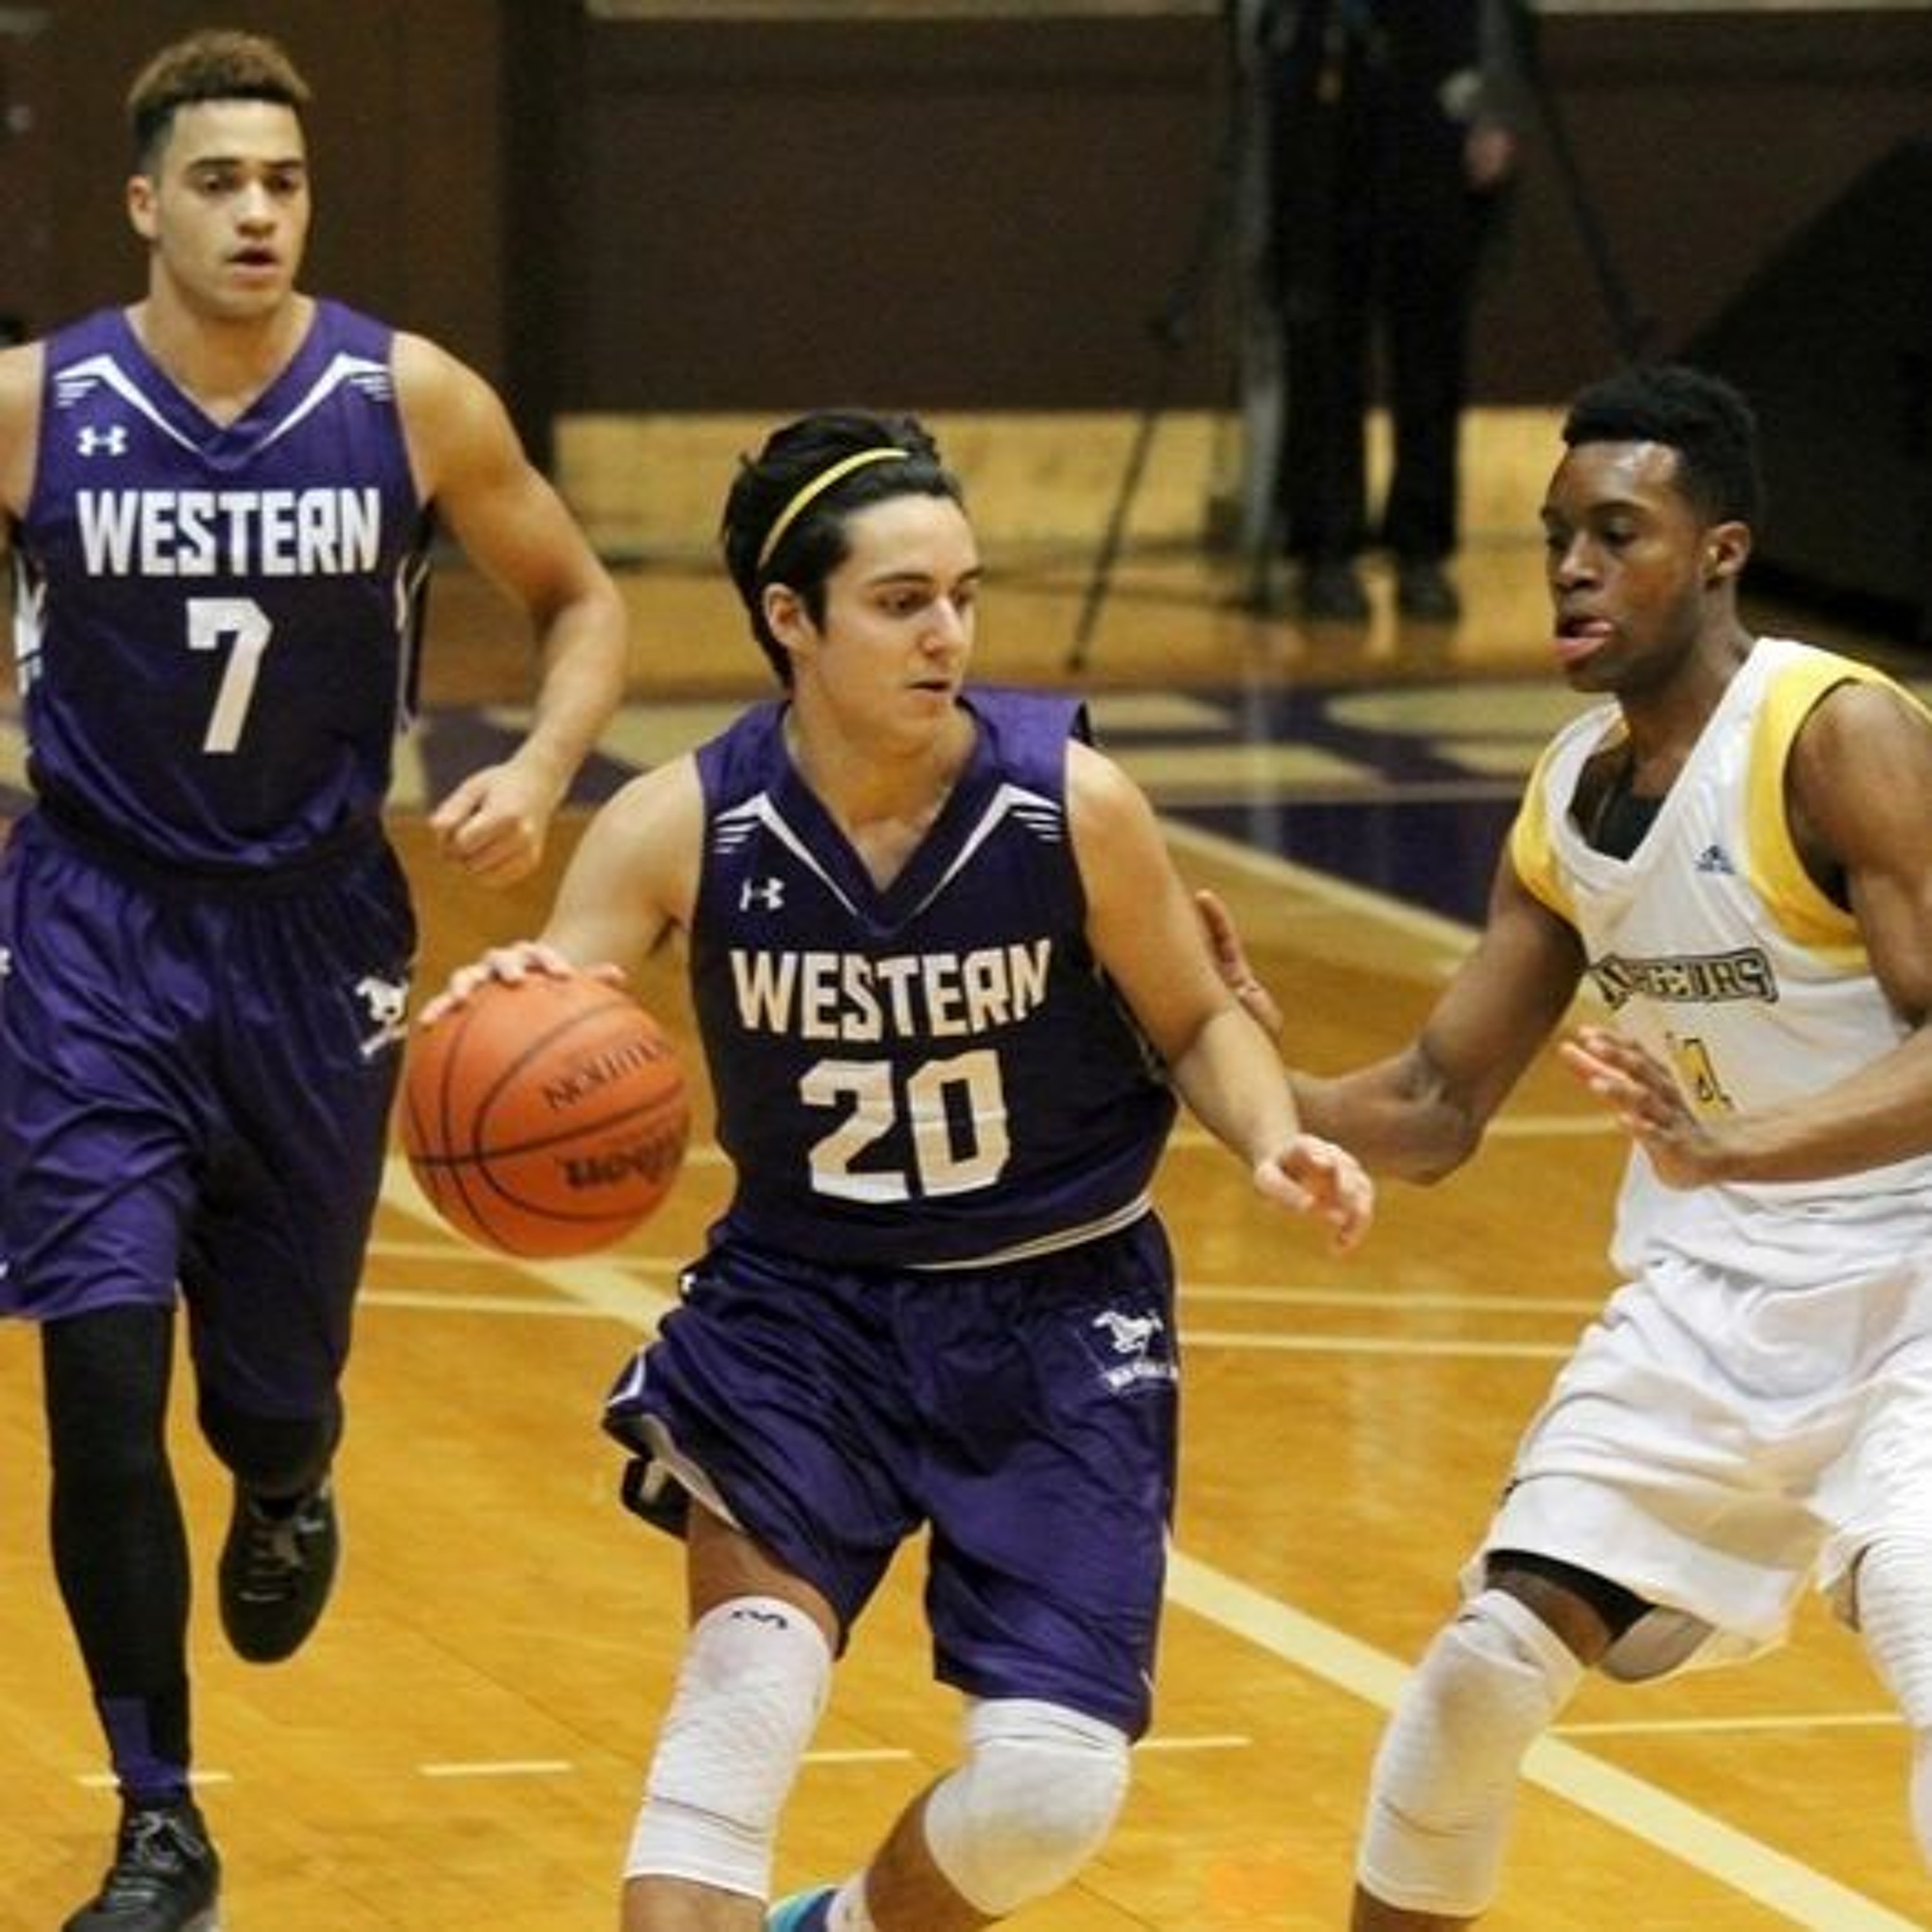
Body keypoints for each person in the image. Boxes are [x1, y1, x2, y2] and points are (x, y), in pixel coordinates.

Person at [421, 408, 1374, 1931]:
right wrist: (501, 1004)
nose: (946, 635)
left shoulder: (1068, 803)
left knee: (1048, 1796)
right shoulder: (683, 824)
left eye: (963, 596)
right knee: (738, 1711)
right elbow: (559, 992)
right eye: (901, 600)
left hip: (1057, 1312)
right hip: (801, 1313)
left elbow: (1194, 1014)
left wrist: (1277, 1136)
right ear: (791, 619)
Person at [0, 28, 628, 1932]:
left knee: (264, 1393)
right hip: (93, 931)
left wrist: (536, 766)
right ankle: (160, 1820)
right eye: (218, 182)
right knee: (100, 1377)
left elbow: (581, 598)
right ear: (143, 204)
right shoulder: (36, 405)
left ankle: (287, 1476)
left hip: (314, 936)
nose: (256, 212)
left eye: (281, 182)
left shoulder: (408, 398)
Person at [1203, 359, 1932, 1925]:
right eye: (1554, 537)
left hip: (1916, 1275)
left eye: (1616, 532)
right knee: (1482, 1667)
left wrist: (1744, 1148)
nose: (1572, 569)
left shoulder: (1831, 733)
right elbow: (1432, 1105)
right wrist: (1233, 1060)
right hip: (1716, 1297)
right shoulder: (1568, 794)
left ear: (1719, 552)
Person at [1261, 0, 1522, 622]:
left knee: (1431, 338)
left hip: (1437, 86)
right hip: (1327, 86)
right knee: (1323, 335)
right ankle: (1326, 543)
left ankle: (1421, 545)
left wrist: (1495, 108)